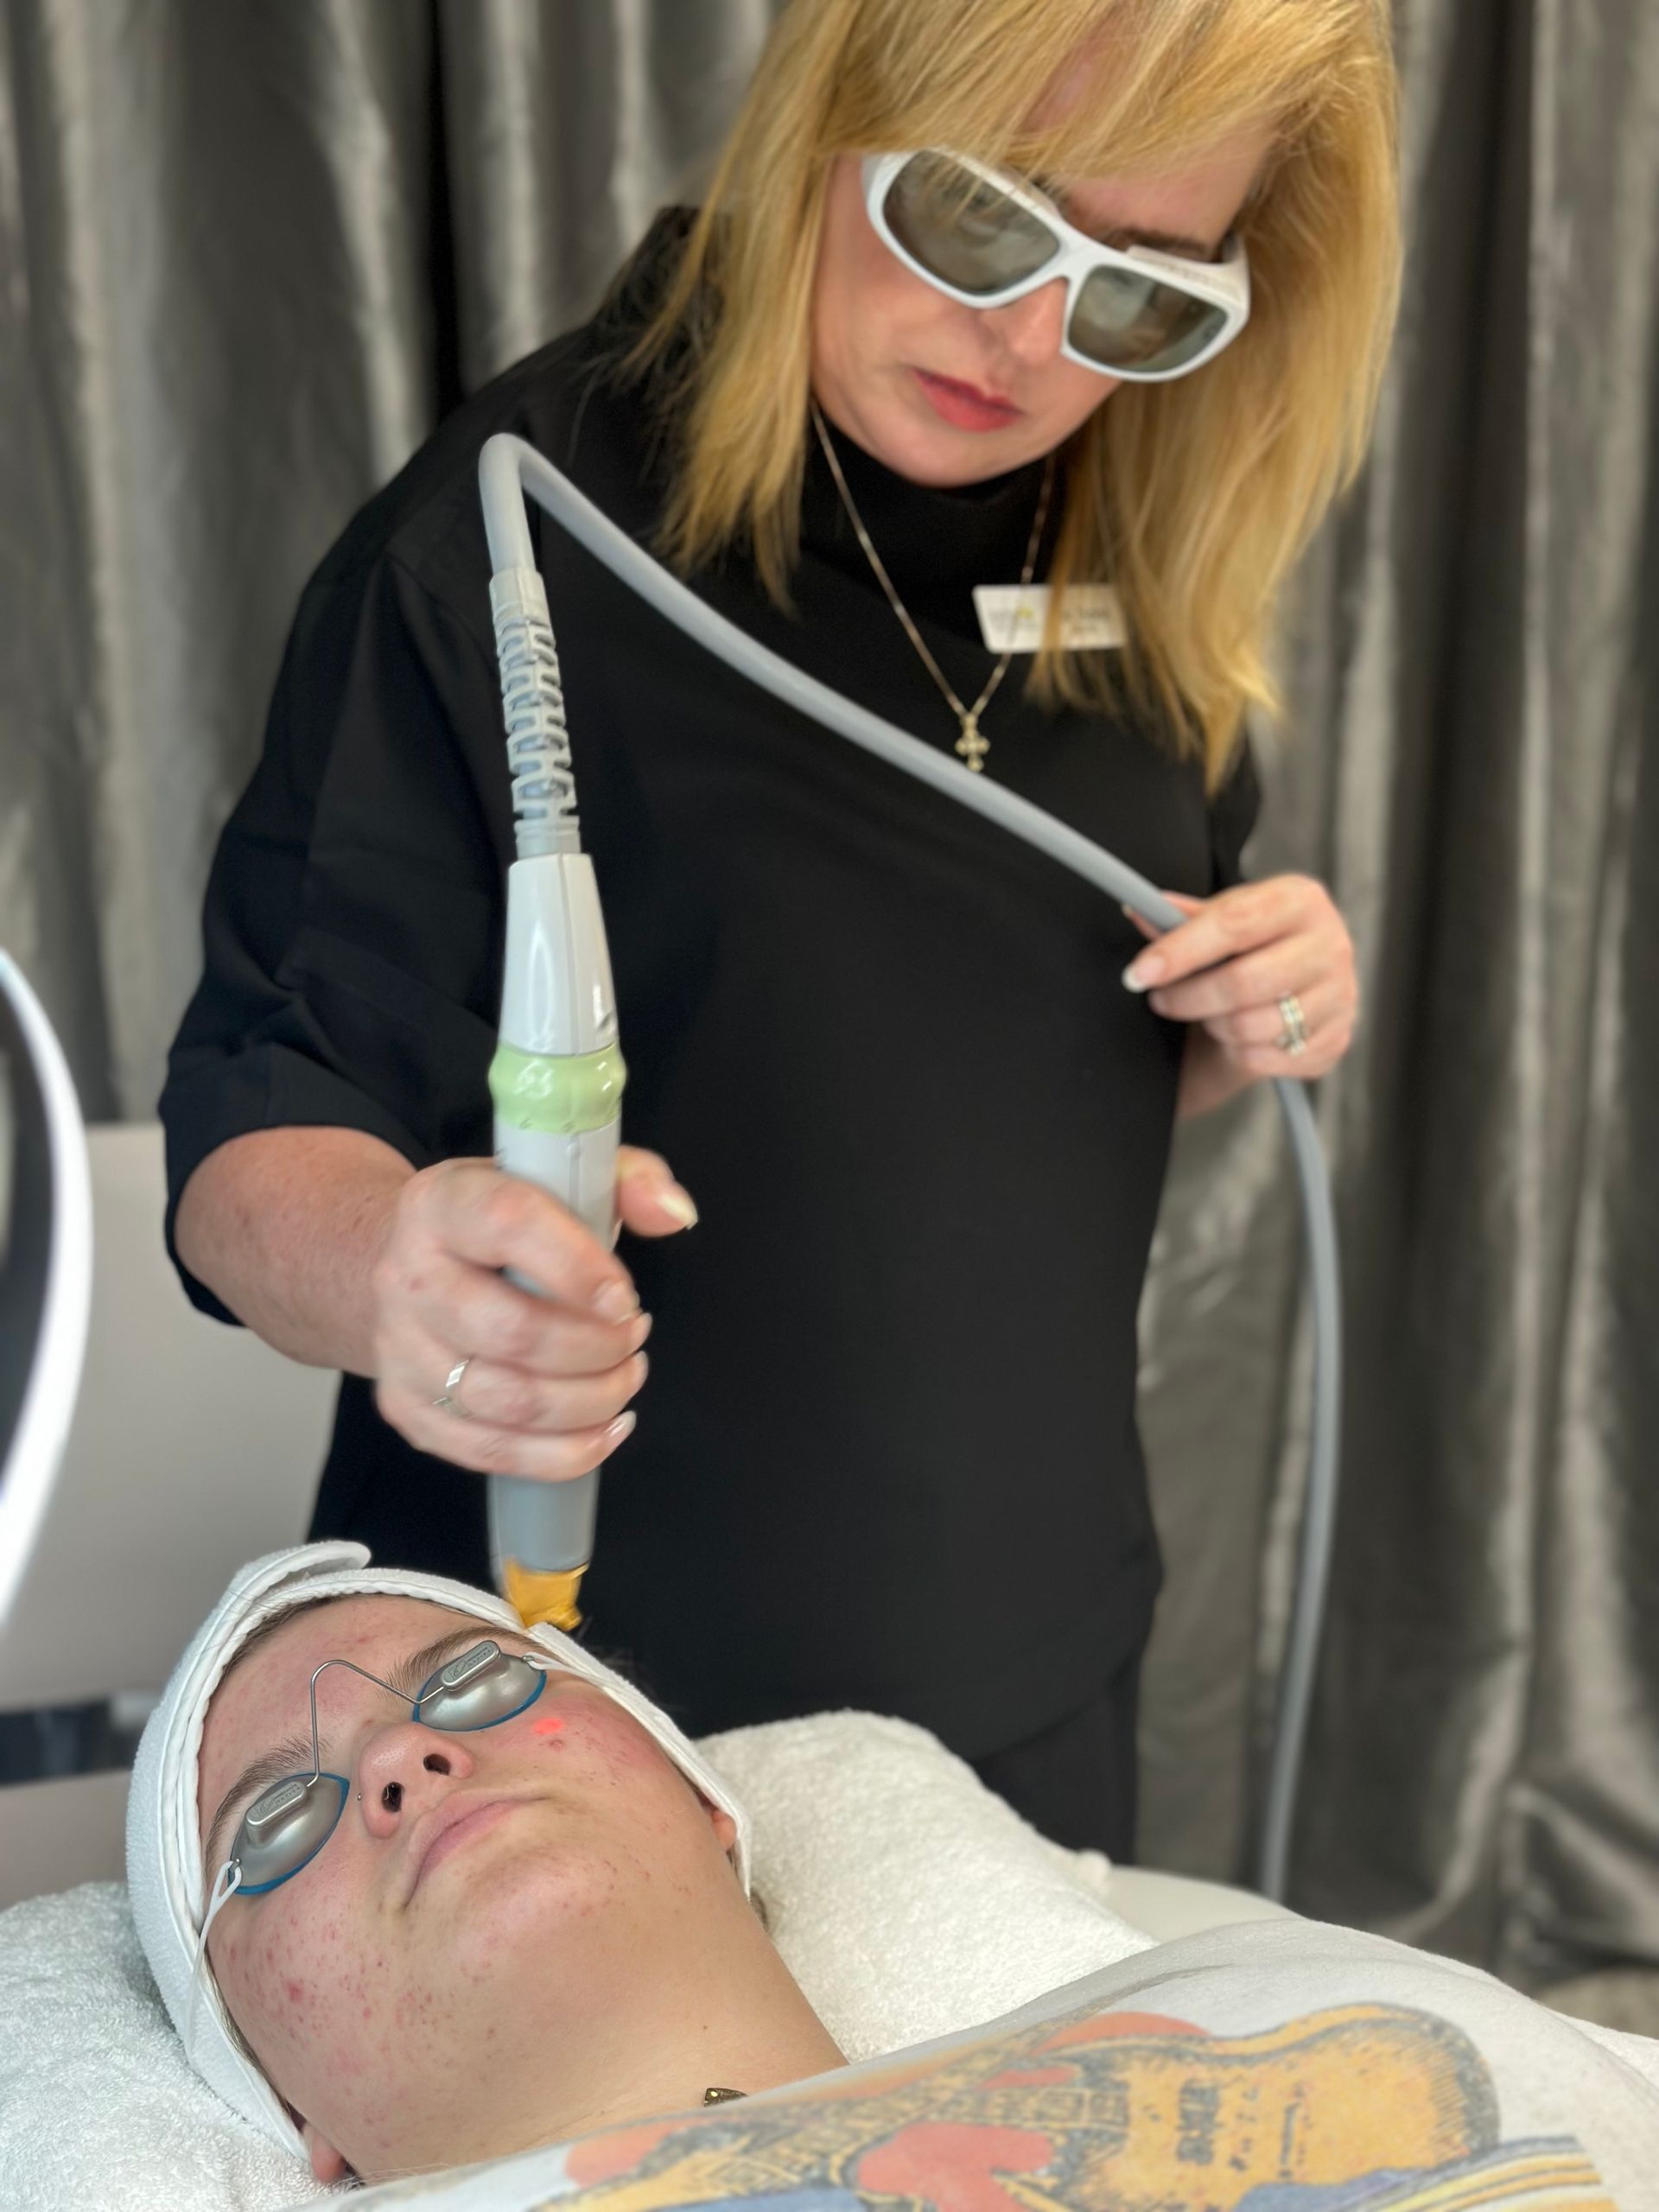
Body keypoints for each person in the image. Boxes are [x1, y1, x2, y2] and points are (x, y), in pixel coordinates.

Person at [160, 0, 1401, 1857]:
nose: (1033, 340)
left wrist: (1247, 1013)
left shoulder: (1128, 548)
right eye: (984, 221)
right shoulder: (507, 545)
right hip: (595, 1726)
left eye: (1141, 295)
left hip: (1032, 1706)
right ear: (834, 116)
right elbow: (251, 1140)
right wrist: (399, 1269)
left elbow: (1033, 1059)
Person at [129, 1546, 1656, 2198]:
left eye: (471, 1684)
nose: (396, 1762)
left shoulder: (1279, 2001)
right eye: (276, 1827)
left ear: (710, 1812)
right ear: (290, 2109)